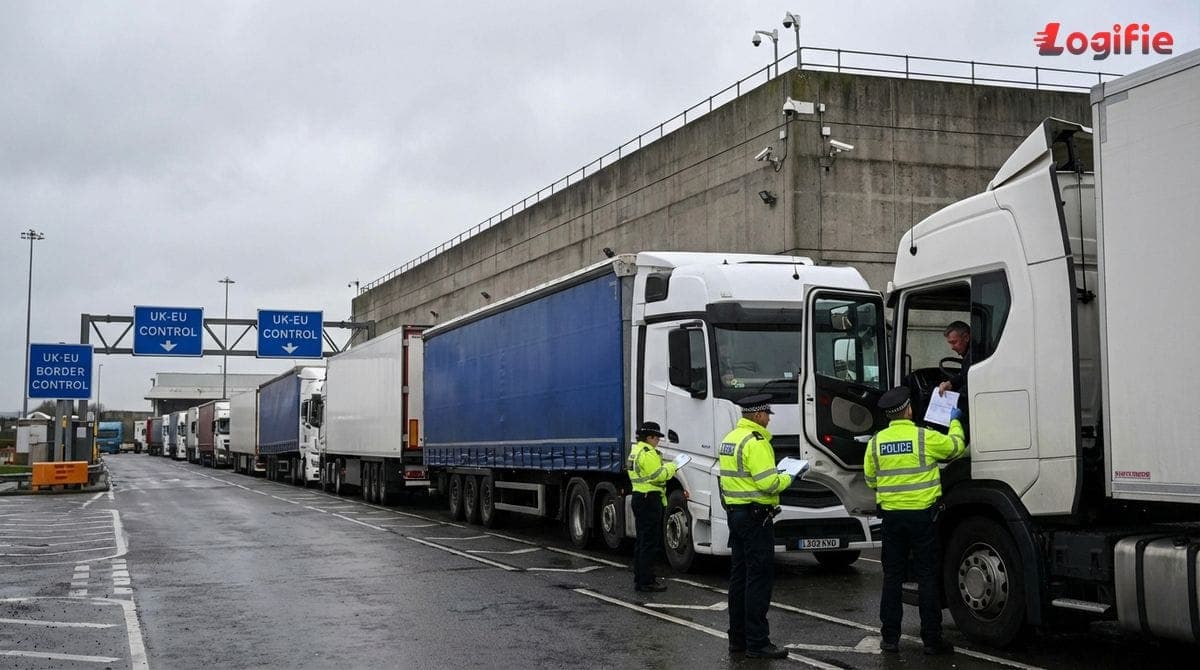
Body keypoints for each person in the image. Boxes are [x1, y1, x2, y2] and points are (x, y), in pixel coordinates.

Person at [865, 386, 967, 656]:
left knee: (892, 578)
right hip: (923, 518)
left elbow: (870, 478)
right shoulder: (924, 438)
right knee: (927, 577)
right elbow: (956, 448)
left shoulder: (876, 442)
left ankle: (889, 638)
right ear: (909, 409)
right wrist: (955, 420)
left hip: (891, 519)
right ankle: (932, 640)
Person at [719, 394, 793, 659]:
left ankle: (737, 639)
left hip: (736, 515)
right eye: (768, 415)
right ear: (759, 415)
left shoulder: (730, 439)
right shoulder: (757, 442)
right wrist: (788, 477)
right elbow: (768, 484)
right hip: (756, 517)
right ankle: (758, 642)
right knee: (758, 580)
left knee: (739, 579)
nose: (769, 419)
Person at [626, 421, 676, 593]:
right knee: (649, 543)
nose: (658, 441)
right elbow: (659, 476)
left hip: (640, 497)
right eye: (656, 438)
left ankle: (640, 578)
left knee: (642, 541)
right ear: (649, 437)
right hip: (649, 499)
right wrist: (672, 466)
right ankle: (646, 581)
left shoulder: (636, 450)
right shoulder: (648, 453)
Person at [936, 321, 971, 399]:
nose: (952, 347)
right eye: (950, 343)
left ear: (966, 338)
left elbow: (968, 385)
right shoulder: (968, 356)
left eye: (954, 342)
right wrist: (950, 383)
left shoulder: (975, 356)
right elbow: (963, 376)